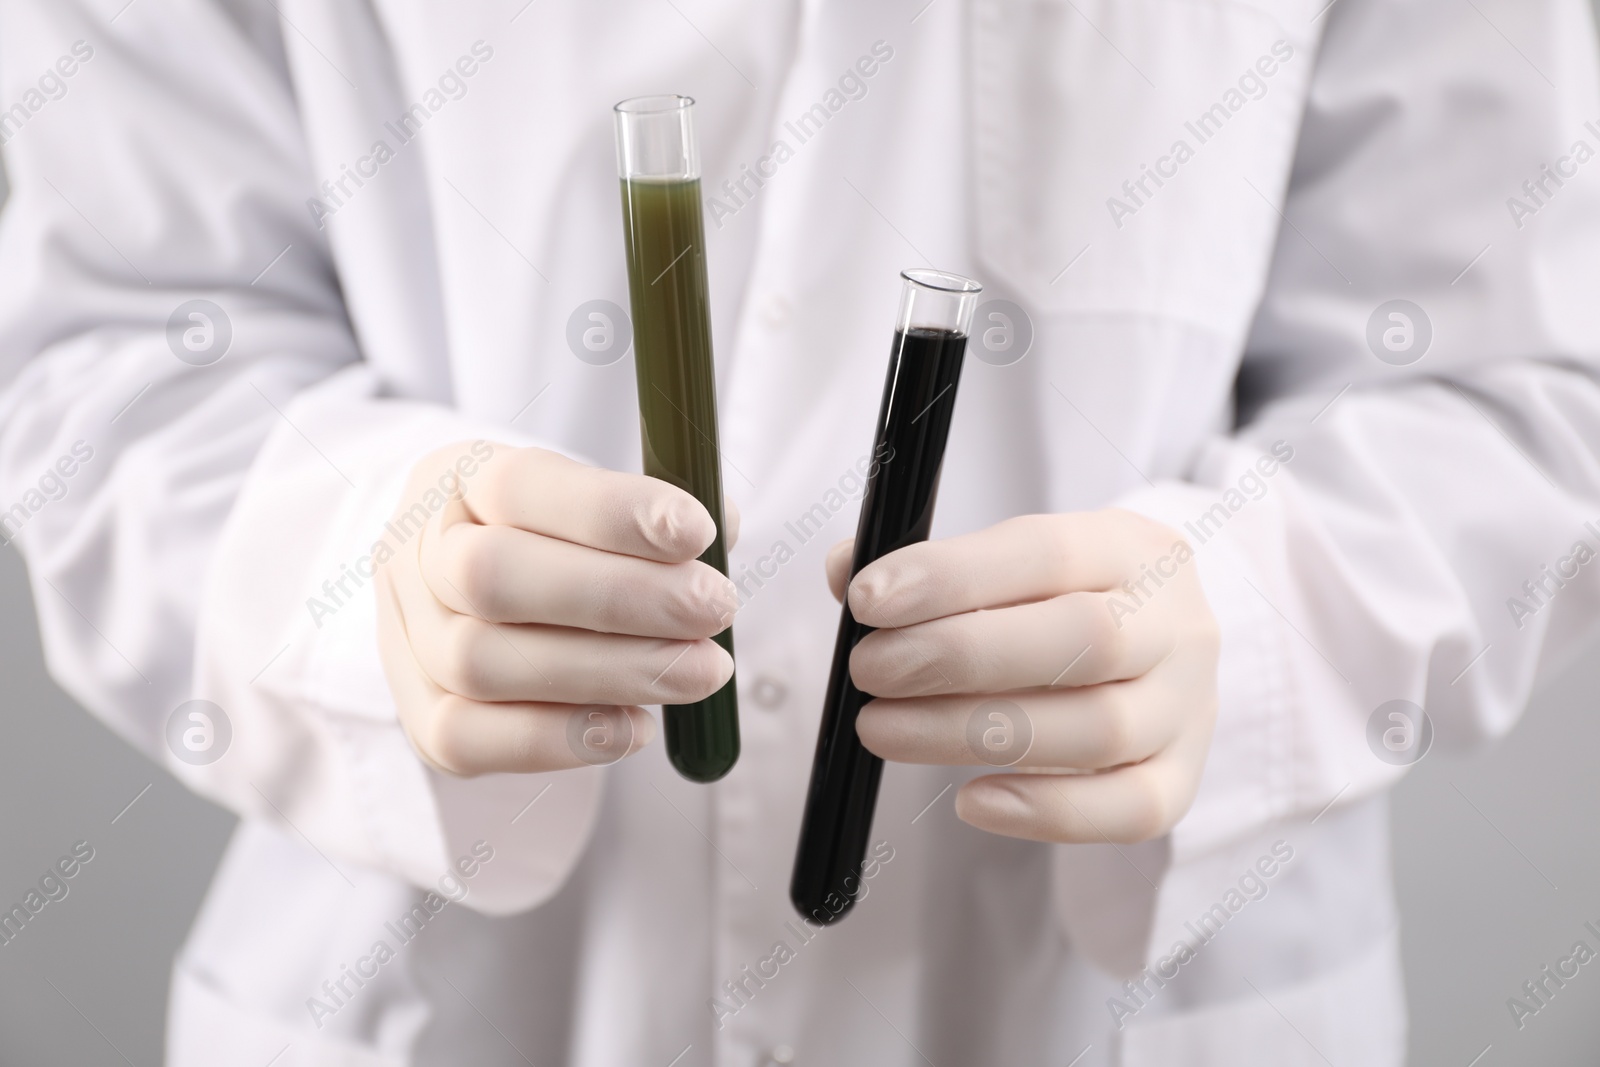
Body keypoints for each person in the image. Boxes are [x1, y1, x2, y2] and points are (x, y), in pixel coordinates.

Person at [2, 0, 1598, 1063]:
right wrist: (364, 574)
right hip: (443, 988)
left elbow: (1508, 378)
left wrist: (1252, 626)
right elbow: (112, 345)